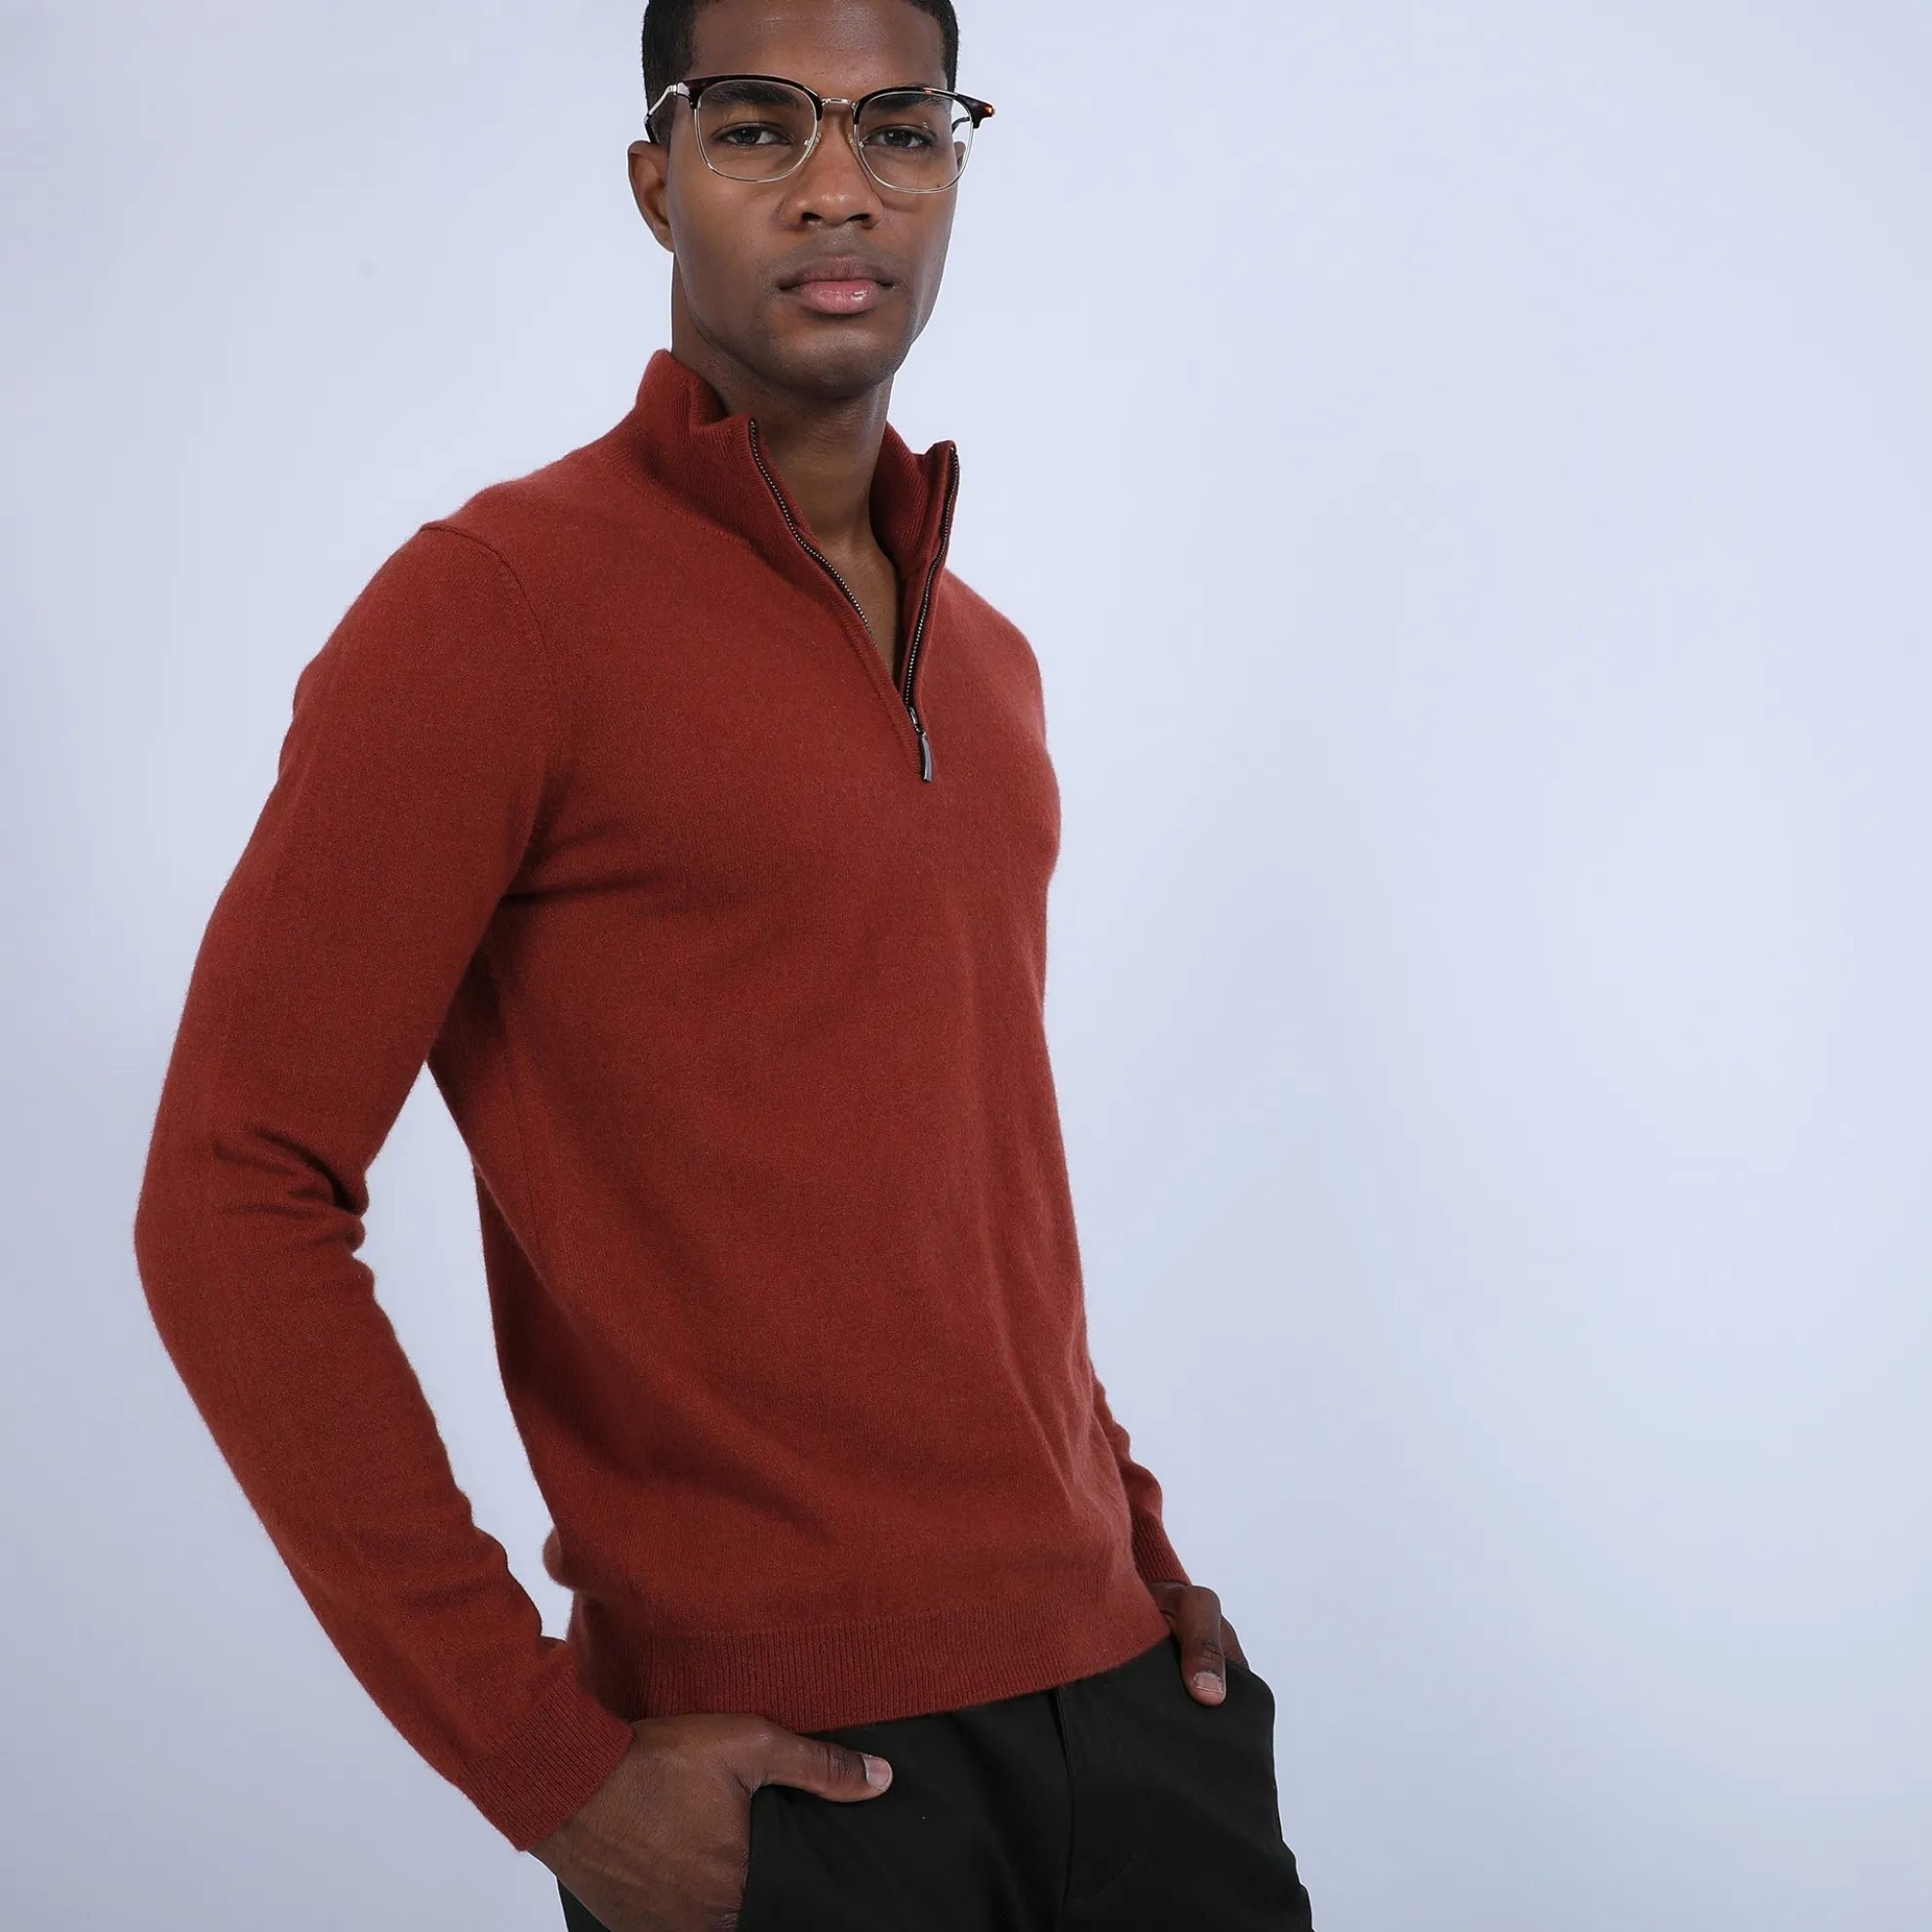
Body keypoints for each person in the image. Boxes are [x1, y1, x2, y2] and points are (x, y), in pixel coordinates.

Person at [133, 0, 1316, 1924]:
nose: (842, 187)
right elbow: (227, 1190)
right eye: (762, 125)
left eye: (902, 127)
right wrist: (542, 1767)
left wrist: (1144, 1553)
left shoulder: (990, 662)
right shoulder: (493, 612)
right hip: (794, 1780)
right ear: (654, 179)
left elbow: (969, 1191)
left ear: (953, 168)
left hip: (1133, 1705)